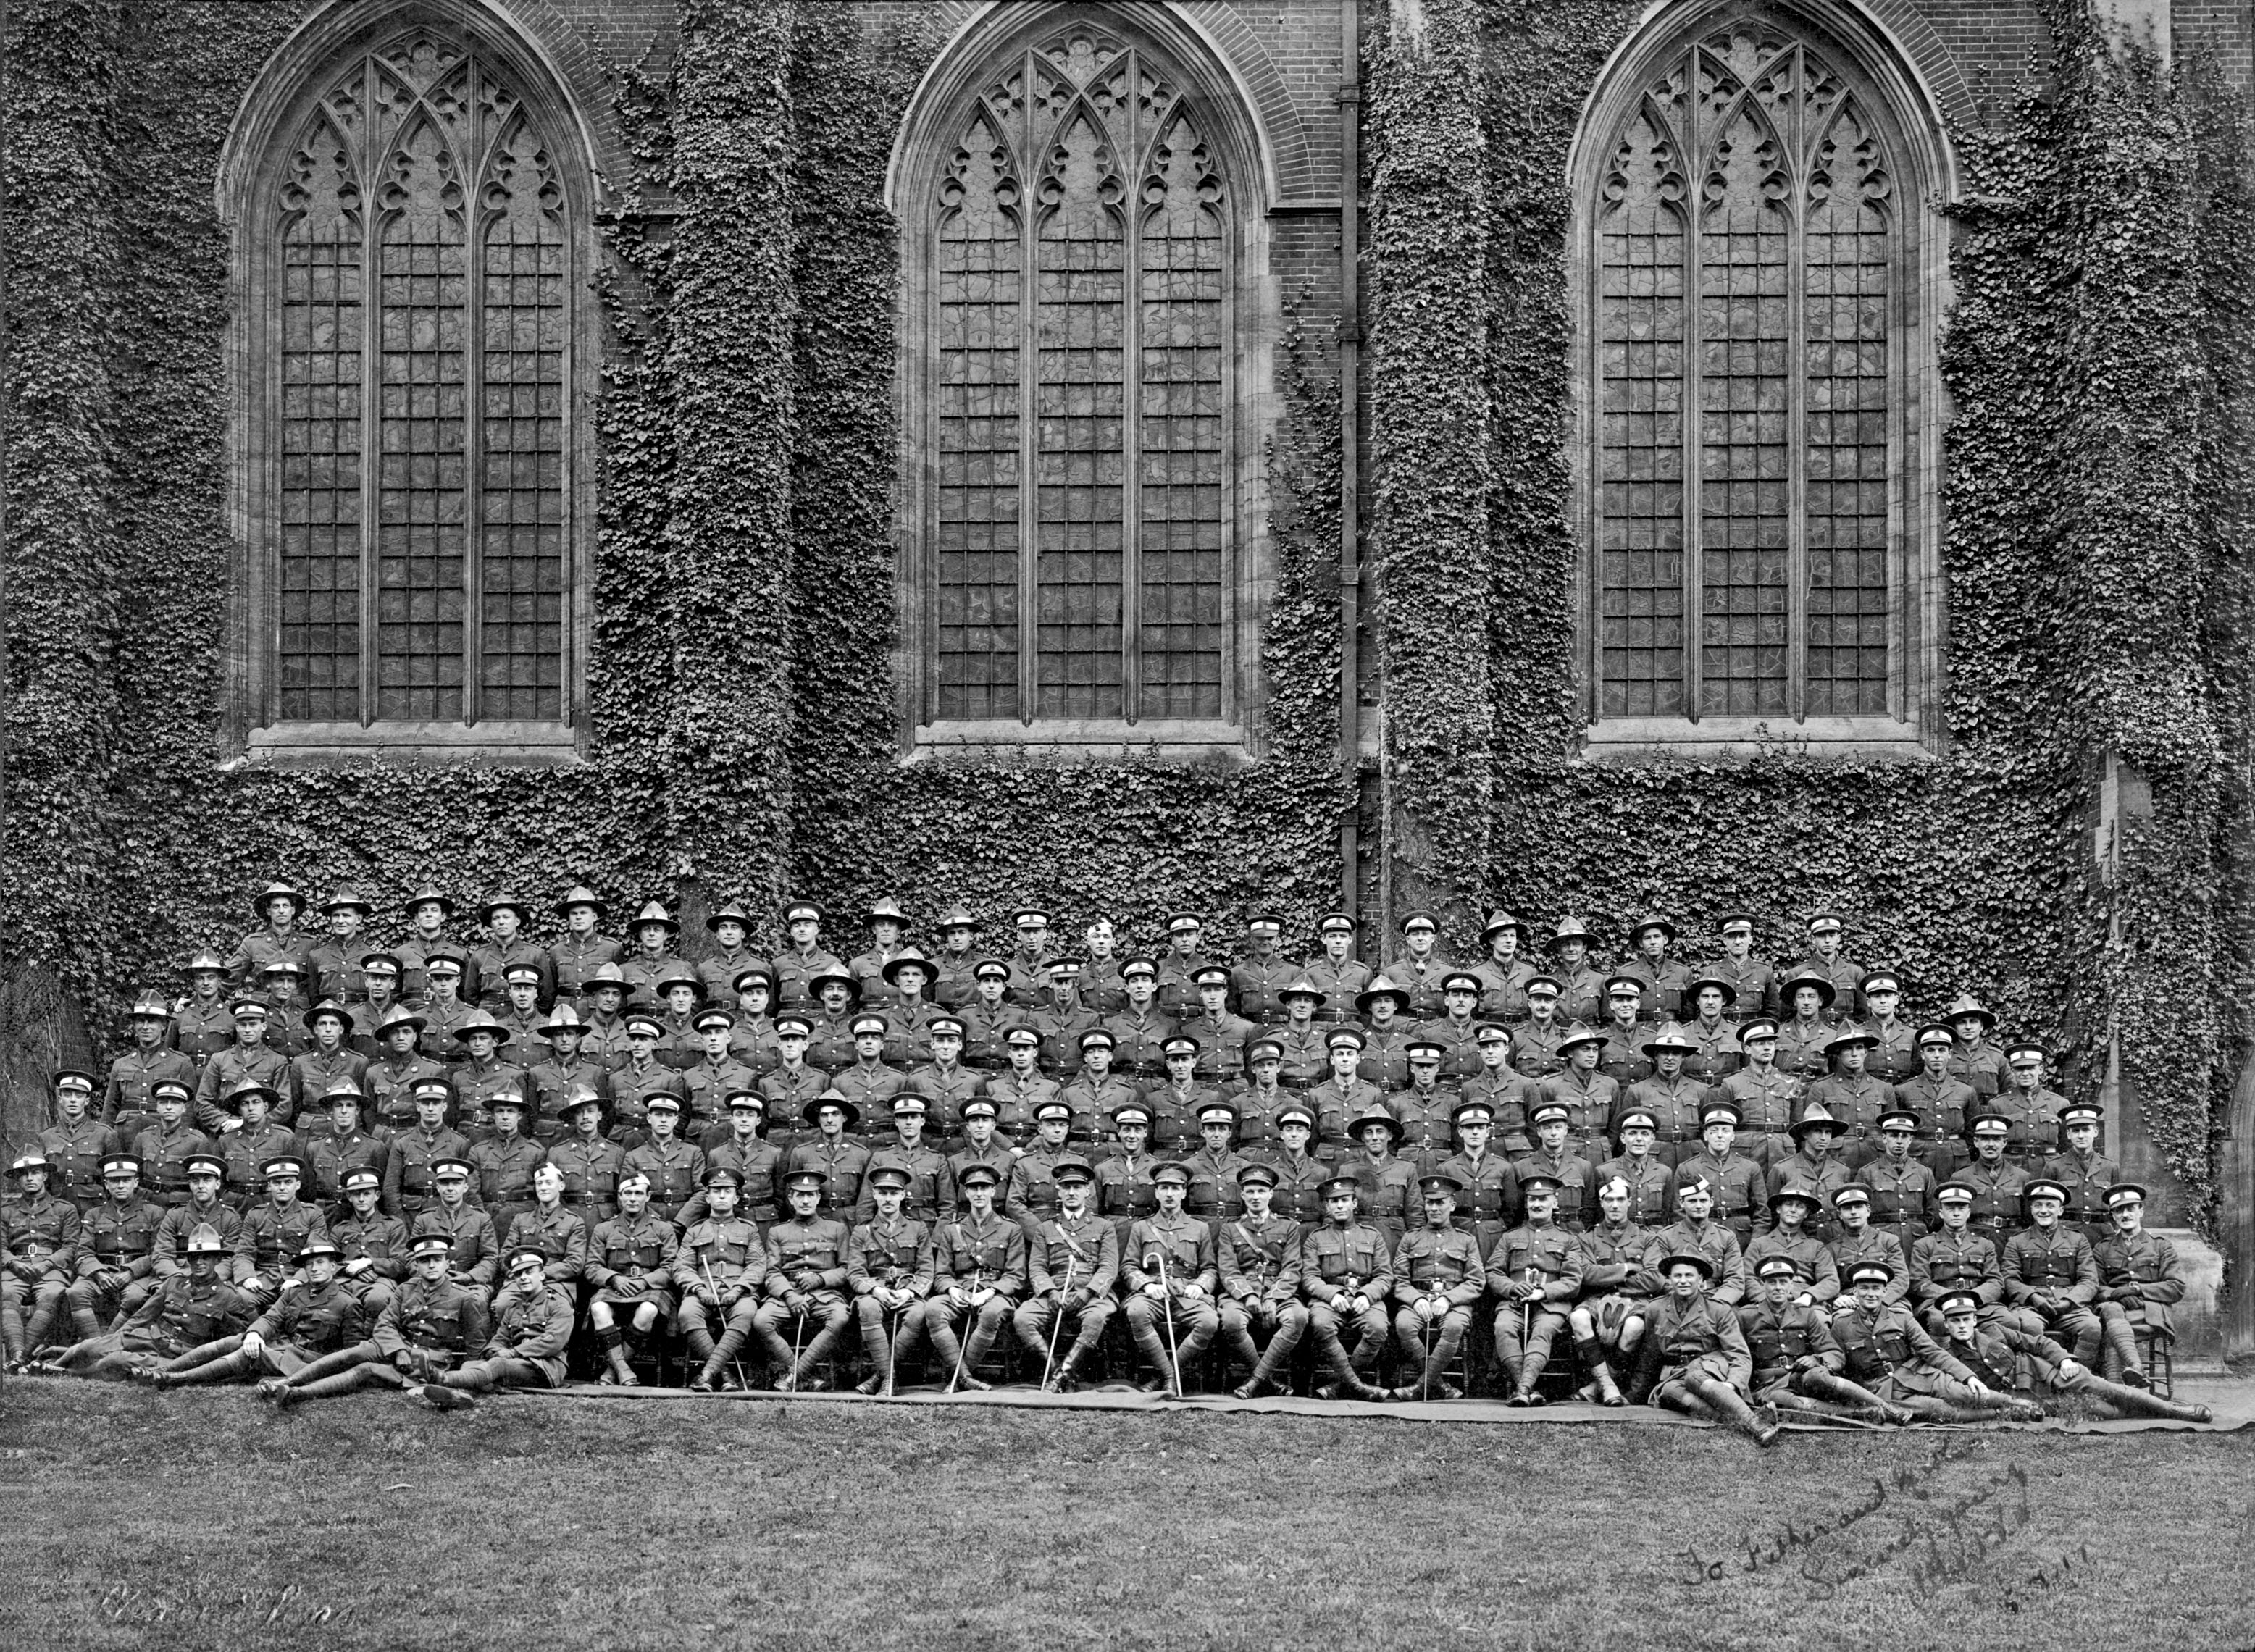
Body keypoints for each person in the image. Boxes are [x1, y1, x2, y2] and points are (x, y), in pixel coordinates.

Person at [262, 1232, 493, 1406]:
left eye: (437, 1259)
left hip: (428, 1360)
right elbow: (385, 1323)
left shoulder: (464, 1298)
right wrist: (398, 1350)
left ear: (447, 1262)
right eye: (425, 1260)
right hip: (395, 1347)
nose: (431, 1265)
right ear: (416, 1265)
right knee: (350, 1354)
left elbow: (475, 1346)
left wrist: (465, 1383)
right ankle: (286, 1383)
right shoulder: (405, 1290)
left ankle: (297, 1394)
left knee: (365, 1370)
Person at [1932, 1288, 2211, 1425]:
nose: (1962, 1326)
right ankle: (2151, 1411)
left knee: (2102, 1387)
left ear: (1975, 1320)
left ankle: (2173, 1411)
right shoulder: (1946, 1356)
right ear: (1946, 1324)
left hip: (2044, 1373)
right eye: (1955, 1321)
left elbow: (2038, 1342)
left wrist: (2064, 1360)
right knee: (2102, 1410)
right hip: (2027, 1397)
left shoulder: (1994, 1331)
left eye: (1966, 1319)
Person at [149, 1235, 367, 1389]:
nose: (314, 1269)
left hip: (308, 1363)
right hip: (283, 1348)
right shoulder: (294, 1293)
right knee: (237, 1341)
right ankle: (166, 1370)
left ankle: (178, 1379)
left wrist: (321, 1374)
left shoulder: (347, 1303)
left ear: (333, 1267)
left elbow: (351, 1352)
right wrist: (254, 1333)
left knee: (250, 1353)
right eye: (309, 1264)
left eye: (320, 1262)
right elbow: (271, 1318)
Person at [46, 1221, 252, 1381]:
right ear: (188, 1259)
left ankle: (68, 1374)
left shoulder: (229, 1296)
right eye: (194, 1257)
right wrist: (116, 1339)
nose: (199, 1263)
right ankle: (52, 1363)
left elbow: (234, 1340)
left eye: (206, 1257)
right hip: (151, 1338)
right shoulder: (174, 1283)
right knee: (90, 1347)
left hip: (179, 1355)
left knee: (116, 1360)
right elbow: (142, 1316)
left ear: (217, 1259)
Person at [1738, 1255, 1911, 1424]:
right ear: (1763, 1285)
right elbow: (1740, 1357)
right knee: (1780, 1399)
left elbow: (1834, 1353)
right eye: (1772, 1282)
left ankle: (1888, 1409)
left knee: (1818, 1375)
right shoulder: (1746, 1316)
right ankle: (1861, 1414)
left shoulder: (1805, 1314)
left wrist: (1817, 1359)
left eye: (1783, 1282)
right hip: (1769, 1385)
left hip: (1799, 1378)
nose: (1778, 1288)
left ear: (1791, 1285)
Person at [1642, 1252, 1779, 1445]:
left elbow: (1739, 1354)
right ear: (1669, 1279)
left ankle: (1757, 1426)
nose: (1683, 1281)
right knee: (1668, 1391)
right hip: (1677, 1374)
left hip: (1713, 1370)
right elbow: (1650, 1353)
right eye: (1677, 1276)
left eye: (1689, 1276)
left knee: (1694, 1376)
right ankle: (1747, 1420)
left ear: (1700, 1280)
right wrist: (1635, 1393)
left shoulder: (1719, 1309)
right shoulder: (1655, 1309)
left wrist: (1733, 1384)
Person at [413, 1243, 574, 1404]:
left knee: (498, 1364)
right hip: (515, 1364)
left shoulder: (558, 1304)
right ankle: (460, 1397)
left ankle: (441, 1378)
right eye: (518, 1274)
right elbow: (500, 1338)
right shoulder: (513, 1308)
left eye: (529, 1272)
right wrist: (493, 1351)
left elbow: (553, 1341)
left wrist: (513, 1352)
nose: (523, 1277)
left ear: (542, 1276)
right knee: (470, 1364)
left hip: (545, 1367)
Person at [1828, 1261, 1988, 1422]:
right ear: (1855, 1292)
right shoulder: (1842, 1324)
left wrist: (1968, 1377)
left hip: (1915, 1375)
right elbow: (1836, 1358)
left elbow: (1932, 1351)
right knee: (1941, 1410)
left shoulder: (1901, 1317)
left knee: (1964, 1393)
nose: (1870, 1294)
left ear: (1885, 1292)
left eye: (1876, 1288)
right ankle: (1997, 1414)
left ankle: (2004, 1405)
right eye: (1864, 1288)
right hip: (1884, 1391)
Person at [1013, 1155, 1118, 1393]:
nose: (1072, 1192)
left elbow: (1108, 1266)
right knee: (1023, 1318)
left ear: (1087, 1191)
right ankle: (1058, 1373)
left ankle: (1061, 1376)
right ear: (1058, 1191)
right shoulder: (1045, 1228)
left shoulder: (1104, 1226)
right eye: (1066, 1187)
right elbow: (1037, 1266)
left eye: (1077, 1187)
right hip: (1055, 1291)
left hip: (1092, 1294)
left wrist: (1087, 1293)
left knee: (1095, 1319)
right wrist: (1050, 1292)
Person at [920, 1161, 1024, 1392]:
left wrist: (990, 1292)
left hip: (995, 1292)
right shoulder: (952, 1229)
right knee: (933, 1309)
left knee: (992, 1313)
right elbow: (942, 1273)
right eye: (973, 1188)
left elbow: (1016, 1274)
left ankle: (958, 1378)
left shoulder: (1011, 1229)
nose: (979, 1193)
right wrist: (952, 1289)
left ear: (993, 1191)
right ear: (966, 1193)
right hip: (961, 1290)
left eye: (984, 1187)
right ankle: (965, 1377)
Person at [755, 1168, 854, 1392]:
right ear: (791, 1199)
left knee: (839, 1317)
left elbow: (847, 1269)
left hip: (824, 1295)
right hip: (787, 1295)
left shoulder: (837, 1229)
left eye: (811, 1195)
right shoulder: (778, 1232)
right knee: (761, 1321)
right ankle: (806, 1376)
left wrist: (820, 1279)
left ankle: (794, 1375)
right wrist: (789, 1296)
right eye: (800, 1195)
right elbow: (772, 1272)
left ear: (818, 1198)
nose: (806, 1201)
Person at [1487, 1172, 1583, 1404]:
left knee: (1543, 1330)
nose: (1537, 1205)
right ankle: (1528, 1389)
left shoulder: (1568, 1240)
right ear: (1526, 1203)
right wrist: (1512, 1287)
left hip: (1551, 1304)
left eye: (1543, 1199)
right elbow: (1493, 1272)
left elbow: (1573, 1280)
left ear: (1555, 1203)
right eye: (1532, 1200)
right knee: (1503, 1327)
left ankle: (1522, 1389)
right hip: (1515, 1302)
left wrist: (1544, 1292)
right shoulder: (1510, 1238)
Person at [1298, 1175, 1394, 1401]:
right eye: (1334, 1201)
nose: (1340, 1206)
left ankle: (1340, 1385)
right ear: (1327, 1206)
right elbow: (1309, 1277)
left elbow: (1384, 1276)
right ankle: (1357, 1386)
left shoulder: (1373, 1236)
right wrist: (1332, 1295)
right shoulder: (1316, 1238)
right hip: (1328, 1300)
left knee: (1378, 1328)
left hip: (1366, 1297)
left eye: (1344, 1200)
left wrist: (1367, 1295)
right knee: (1321, 1325)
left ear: (1354, 1203)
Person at [1215, 1162, 1305, 1399]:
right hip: (1240, 1293)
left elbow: (1292, 1267)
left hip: (1279, 1291)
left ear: (1271, 1194)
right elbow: (1228, 1269)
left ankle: (1255, 1381)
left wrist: (1273, 1298)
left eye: (1262, 1191)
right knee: (1232, 1320)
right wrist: (1248, 1295)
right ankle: (1268, 1381)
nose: (1256, 1197)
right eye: (1251, 1192)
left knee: (1298, 1316)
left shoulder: (1288, 1226)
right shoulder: (1230, 1229)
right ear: (1243, 1195)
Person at [677, 1166, 770, 1392]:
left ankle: (707, 1374)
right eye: (716, 1191)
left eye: (727, 1191)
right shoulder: (694, 1230)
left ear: (736, 1198)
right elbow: (682, 1267)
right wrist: (699, 1289)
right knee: (687, 1313)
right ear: (707, 1197)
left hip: (739, 1291)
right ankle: (725, 1374)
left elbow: (757, 1265)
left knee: (746, 1313)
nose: (721, 1196)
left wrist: (738, 1289)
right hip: (703, 1289)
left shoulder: (749, 1230)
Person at [845, 1163, 934, 1395]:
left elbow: (926, 1271)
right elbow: (855, 1272)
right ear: (874, 1194)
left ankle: (882, 1376)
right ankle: (889, 1378)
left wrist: (909, 1292)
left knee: (919, 1313)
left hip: (907, 1290)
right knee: (868, 1308)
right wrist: (876, 1290)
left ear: (903, 1195)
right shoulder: (861, 1231)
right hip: (875, 1291)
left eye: (894, 1193)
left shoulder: (918, 1228)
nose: (888, 1199)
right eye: (882, 1192)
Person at [585, 1170, 679, 1385]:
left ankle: (612, 1373)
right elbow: (592, 1266)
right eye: (628, 1193)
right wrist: (613, 1278)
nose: (633, 1198)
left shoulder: (663, 1228)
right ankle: (622, 1370)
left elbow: (671, 1267)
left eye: (638, 1193)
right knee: (598, 1308)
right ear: (620, 1197)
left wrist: (646, 1281)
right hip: (615, 1287)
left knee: (648, 1310)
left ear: (648, 1196)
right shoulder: (604, 1228)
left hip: (651, 1288)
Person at [2091, 1181, 2185, 1388]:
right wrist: (2118, 1294)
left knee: (2113, 1330)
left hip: (2149, 1312)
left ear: (2141, 1211)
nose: (2125, 1215)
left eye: (2130, 1209)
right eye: (2118, 1211)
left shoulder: (2161, 1246)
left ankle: (2116, 1393)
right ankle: (2133, 1372)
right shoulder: (2103, 1249)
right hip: (2116, 1308)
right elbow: (2095, 1286)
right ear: (2113, 1216)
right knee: (2113, 1317)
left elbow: (2176, 1287)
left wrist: (2137, 1290)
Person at [61, 1154, 163, 1345]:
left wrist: (131, 1272)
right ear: (106, 1185)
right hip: (102, 1272)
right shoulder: (94, 1214)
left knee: (135, 1297)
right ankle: (95, 1346)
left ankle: (104, 1347)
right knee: (76, 1292)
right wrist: (98, 1273)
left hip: (138, 1275)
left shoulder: (154, 1213)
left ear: (136, 1182)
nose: (120, 1186)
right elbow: (83, 1252)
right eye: (115, 1181)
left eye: (126, 1180)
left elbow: (159, 1252)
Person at [2000, 1175, 2101, 1363]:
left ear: (2060, 1210)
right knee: (2029, 1327)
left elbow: (2089, 1279)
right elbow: (2009, 1279)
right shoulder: (2017, 1241)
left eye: (2050, 1205)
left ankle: (2080, 1375)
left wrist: (2070, 1301)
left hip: (2069, 1304)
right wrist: (2033, 1297)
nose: (2044, 1211)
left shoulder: (2078, 1239)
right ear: (2031, 1210)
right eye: (2038, 1205)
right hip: (2031, 1306)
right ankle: (2041, 1376)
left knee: (2092, 1327)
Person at [1565, 1175, 1646, 1406]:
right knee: (1578, 1317)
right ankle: (1608, 1385)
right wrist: (1626, 1269)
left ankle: (1596, 1387)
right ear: (1601, 1204)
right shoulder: (1588, 1238)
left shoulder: (1646, 1237)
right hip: (1597, 1298)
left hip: (1635, 1299)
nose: (1615, 1205)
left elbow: (1655, 1278)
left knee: (1635, 1325)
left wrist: (1609, 1279)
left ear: (1630, 1202)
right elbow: (1587, 1274)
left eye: (1620, 1199)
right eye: (1609, 1200)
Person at [2, 1152, 80, 1369]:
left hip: (51, 1269)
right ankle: (17, 1352)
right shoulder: (6, 1212)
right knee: (6, 1293)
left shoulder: (65, 1209)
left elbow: (71, 1246)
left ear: (45, 1176)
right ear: (17, 1179)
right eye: (23, 1174)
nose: (29, 1178)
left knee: (51, 1294)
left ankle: (21, 1357)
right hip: (15, 1268)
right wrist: (13, 1263)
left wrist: (47, 1264)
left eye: (35, 1172)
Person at [1909, 1180, 2009, 1336]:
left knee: (2008, 1321)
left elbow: (1995, 1282)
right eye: (1950, 1208)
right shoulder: (1924, 1244)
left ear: (1968, 1213)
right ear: (1941, 1213)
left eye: (1961, 1208)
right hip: (1939, 1303)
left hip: (1978, 1302)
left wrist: (1974, 1297)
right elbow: (1919, 1282)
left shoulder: (1984, 1244)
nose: (1956, 1213)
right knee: (1938, 1322)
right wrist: (1950, 1297)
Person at [238, 1153, 331, 1312]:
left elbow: (316, 1253)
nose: (282, 1187)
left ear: (298, 1185)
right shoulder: (255, 1215)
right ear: (269, 1186)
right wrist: (248, 1276)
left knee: (305, 1305)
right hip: (264, 1281)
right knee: (238, 1298)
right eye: (276, 1183)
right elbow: (244, 1252)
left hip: (300, 1279)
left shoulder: (313, 1214)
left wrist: (299, 1279)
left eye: (288, 1182)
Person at [191, 995, 293, 1134]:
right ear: (237, 1027)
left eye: (253, 1024)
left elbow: (284, 1106)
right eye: (243, 1025)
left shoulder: (277, 1061)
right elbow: (202, 1101)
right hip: (226, 1131)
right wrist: (223, 1122)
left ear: (264, 1026)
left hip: (263, 1134)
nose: (247, 1030)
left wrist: (252, 1123)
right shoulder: (219, 1059)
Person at [103, 997, 196, 1144]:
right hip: (126, 1134)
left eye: (152, 1022)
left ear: (164, 1025)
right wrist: (104, 1140)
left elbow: (189, 1109)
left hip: (163, 1133)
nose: (145, 1027)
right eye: (141, 1021)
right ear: (134, 1025)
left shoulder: (180, 1062)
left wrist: (184, 1141)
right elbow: (110, 1107)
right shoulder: (121, 1064)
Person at [1673, 1101, 1767, 1243]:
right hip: (1702, 1239)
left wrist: (1755, 1245)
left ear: (1733, 1136)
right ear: (1705, 1135)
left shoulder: (1750, 1167)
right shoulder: (1688, 1168)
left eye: (1725, 1131)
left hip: (1742, 1239)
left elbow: (1762, 1213)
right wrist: (1693, 1243)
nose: (1719, 1135)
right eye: (1714, 1131)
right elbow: (1678, 1212)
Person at [410, 1158, 501, 1304]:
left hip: (472, 1283)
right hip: (431, 1282)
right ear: (438, 1187)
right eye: (445, 1183)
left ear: (465, 1187)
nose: (450, 1188)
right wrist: (435, 1276)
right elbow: (411, 1257)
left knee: (476, 1301)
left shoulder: (481, 1218)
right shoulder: (424, 1219)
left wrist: (470, 1276)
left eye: (456, 1183)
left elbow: (490, 1257)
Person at [382, 1078, 471, 1221]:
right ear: (418, 1106)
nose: (430, 1108)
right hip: (410, 1217)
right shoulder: (402, 1144)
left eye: (436, 1103)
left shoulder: (460, 1143)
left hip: (446, 1218)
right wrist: (400, 1223)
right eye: (425, 1103)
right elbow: (391, 1189)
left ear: (444, 1106)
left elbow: (467, 1189)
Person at [1894, 1023, 1976, 1176]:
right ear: (1922, 1055)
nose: (1937, 1055)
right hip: (1918, 1158)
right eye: (1931, 1050)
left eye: (1942, 1050)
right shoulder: (1904, 1090)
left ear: (1950, 1054)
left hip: (1956, 1160)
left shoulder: (1966, 1091)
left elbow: (1972, 1133)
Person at [328, 1165, 410, 1317]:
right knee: (335, 1300)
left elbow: (400, 1264)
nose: (361, 1199)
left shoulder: (393, 1225)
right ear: (349, 1197)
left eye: (367, 1194)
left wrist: (370, 1262)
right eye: (356, 1194)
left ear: (377, 1196)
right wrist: (351, 1269)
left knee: (377, 1299)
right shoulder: (339, 1229)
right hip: (346, 1281)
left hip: (380, 1281)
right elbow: (329, 1264)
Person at [43, 1068, 120, 1212]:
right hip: (57, 1207)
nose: (73, 1100)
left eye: (79, 1096)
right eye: (67, 1095)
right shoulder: (47, 1136)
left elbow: (116, 1177)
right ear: (60, 1099)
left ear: (87, 1101)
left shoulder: (105, 1134)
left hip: (94, 1207)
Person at [2042, 1102, 2119, 1236]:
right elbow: (2045, 1204)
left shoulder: (2110, 1167)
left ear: (2095, 1132)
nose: (2081, 1136)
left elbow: (2116, 1205)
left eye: (2086, 1130)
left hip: (2102, 1235)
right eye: (2076, 1131)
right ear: (2068, 1134)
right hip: (2066, 1234)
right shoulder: (2054, 1167)